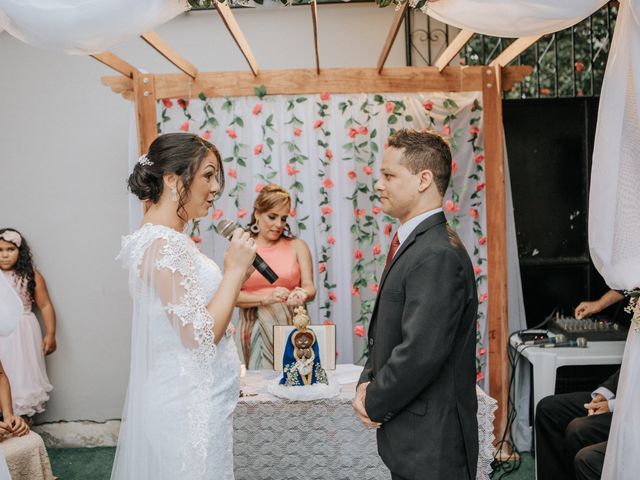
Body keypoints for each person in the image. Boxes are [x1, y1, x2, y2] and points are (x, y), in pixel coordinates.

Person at [111, 132, 256, 480]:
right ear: (173, 179)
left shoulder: (165, 241)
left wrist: (235, 277)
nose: (216, 186)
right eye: (207, 174)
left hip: (198, 402)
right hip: (187, 409)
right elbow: (198, 336)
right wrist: (234, 271)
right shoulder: (164, 246)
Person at [353, 129, 479, 480]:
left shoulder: (438, 253)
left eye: (389, 175)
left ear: (424, 179)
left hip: (433, 445)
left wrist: (373, 400)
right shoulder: (417, 243)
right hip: (414, 438)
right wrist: (367, 381)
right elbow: (388, 332)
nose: (378, 185)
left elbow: (420, 351)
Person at [535, 289, 625, 480]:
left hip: (631, 411)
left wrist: (612, 406)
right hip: (620, 397)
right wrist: (605, 393)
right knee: (548, 408)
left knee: (578, 429)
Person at [235, 184, 315, 369]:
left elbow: (310, 288)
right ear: (257, 213)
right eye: (272, 217)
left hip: (290, 328)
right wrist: (266, 299)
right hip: (250, 329)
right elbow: (231, 296)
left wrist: (302, 294)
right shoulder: (243, 247)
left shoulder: (297, 246)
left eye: (284, 219)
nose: (278, 225)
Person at [0, 229, 55, 418]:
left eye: (10, 249)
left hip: (23, 330)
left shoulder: (30, 275)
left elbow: (45, 305)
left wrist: (50, 334)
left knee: (22, 371)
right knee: (3, 370)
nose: (5, 255)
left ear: (20, 251)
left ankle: (23, 418)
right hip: (1, 331)